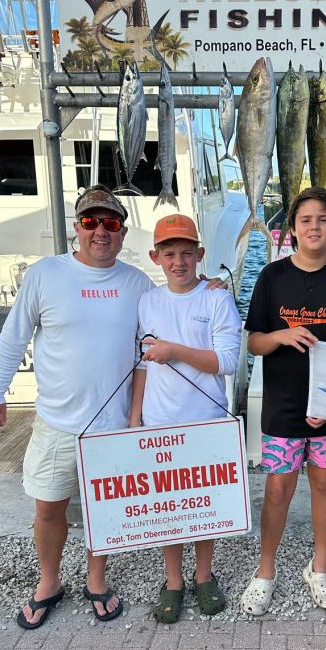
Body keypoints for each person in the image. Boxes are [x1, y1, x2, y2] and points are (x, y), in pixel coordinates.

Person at [0, 185, 153, 629]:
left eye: (111, 223)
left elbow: (159, 335)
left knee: (105, 510)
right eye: (91, 222)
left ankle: (97, 580)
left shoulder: (137, 282)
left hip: (114, 424)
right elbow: (13, 336)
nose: (101, 231)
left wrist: (207, 286)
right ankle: (50, 581)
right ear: (77, 228)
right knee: (47, 508)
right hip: (56, 422)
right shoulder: (45, 274)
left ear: (123, 231)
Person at [240, 186, 326, 615]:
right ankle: (265, 570)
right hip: (283, 407)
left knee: (325, 484)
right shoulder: (272, 278)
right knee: (278, 489)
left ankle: (319, 567)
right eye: (305, 220)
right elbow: (254, 344)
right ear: (292, 230)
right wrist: (281, 334)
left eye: (323, 219)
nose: (314, 226)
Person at [129, 212, 242, 623]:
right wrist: (135, 418)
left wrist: (174, 350)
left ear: (201, 254)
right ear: (155, 257)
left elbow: (227, 361)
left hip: (206, 419)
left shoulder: (217, 297)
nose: (179, 262)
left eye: (186, 253)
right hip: (159, 421)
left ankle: (204, 575)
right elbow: (142, 364)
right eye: (170, 253)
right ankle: (173, 579)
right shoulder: (148, 301)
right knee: (168, 508)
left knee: (203, 506)